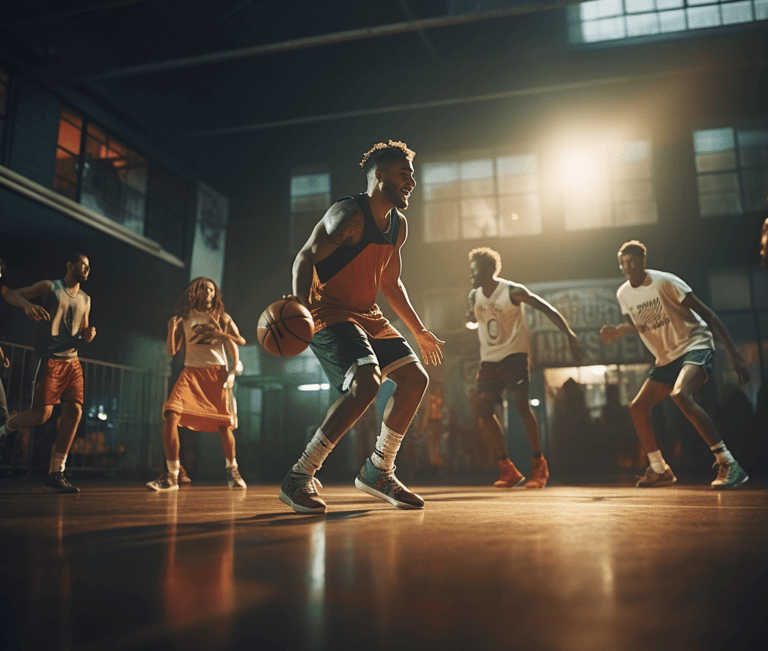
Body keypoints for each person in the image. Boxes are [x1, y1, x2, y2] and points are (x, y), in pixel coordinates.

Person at [279, 140, 444, 514]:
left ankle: (378, 470)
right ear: (379, 176)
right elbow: (305, 257)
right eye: (403, 174)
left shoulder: (398, 225)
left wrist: (418, 330)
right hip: (328, 310)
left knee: (415, 380)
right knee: (367, 382)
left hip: (366, 313)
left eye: (412, 175)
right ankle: (300, 475)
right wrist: (301, 308)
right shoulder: (348, 214)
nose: (411, 182)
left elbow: (390, 283)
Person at [600, 240, 751, 489]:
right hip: (666, 358)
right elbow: (643, 323)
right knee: (638, 407)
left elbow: (708, 314)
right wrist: (617, 331)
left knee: (680, 394)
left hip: (695, 345)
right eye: (623, 263)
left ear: (643, 262)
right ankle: (660, 469)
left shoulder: (665, 282)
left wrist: (734, 354)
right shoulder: (623, 294)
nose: (627, 267)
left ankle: (728, 462)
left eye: (632, 262)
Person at [467, 247, 584, 488]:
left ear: (488, 270)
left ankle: (539, 465)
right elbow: (475, 319)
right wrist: (470, 319)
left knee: (520, 403)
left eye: (475, 271)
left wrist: (570, 335)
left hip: (514, 355)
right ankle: (507, 469)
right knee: (485, 411)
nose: (471, 276)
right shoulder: (473, 295)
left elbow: (548, 309)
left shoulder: (512, 291)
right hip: (489, 359)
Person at [2, 252, 96, 492]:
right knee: (42, 414)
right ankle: (3, 429)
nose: (87, 270)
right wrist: (27, 305)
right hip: (50, 359)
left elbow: (82, 332)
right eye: (83, 265)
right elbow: (10, 294)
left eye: (88, 267)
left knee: (75, 411)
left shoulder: (86, 299)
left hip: (73, 362)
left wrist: (88, 335)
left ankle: (56, 472)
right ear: (70, 265)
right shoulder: (50, 286)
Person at [146, 277, 247, 492]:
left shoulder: (222, 317)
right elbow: (172, 351)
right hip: (191, 372)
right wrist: (170, 329)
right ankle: (172, 474)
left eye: (211, 289)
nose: (208, 292)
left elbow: (240, 340)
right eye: (204, 288)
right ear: (196, 292)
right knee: (170, 414)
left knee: (224, 426)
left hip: (216, 373)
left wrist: (221, 337)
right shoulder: (186, 317)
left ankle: (232, 470)